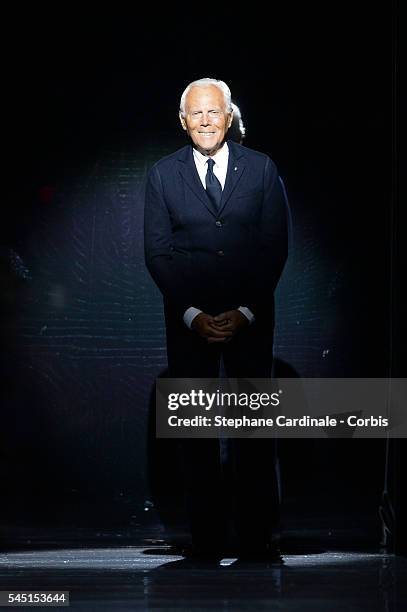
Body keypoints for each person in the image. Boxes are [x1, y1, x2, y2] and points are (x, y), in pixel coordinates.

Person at [144, 77, 289, 561]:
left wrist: (245, 311)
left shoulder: (263, 170)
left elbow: (275, 246)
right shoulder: (163, 175)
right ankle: (205, 541)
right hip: (190, 326)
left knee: (253, 434)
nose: (206, 121)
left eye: (214, 113)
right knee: (196, 437)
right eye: (196, 114)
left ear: (229, 117)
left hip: (249, 320)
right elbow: (158, 254)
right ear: (183, 122)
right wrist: (193, 315)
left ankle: (257, 539)